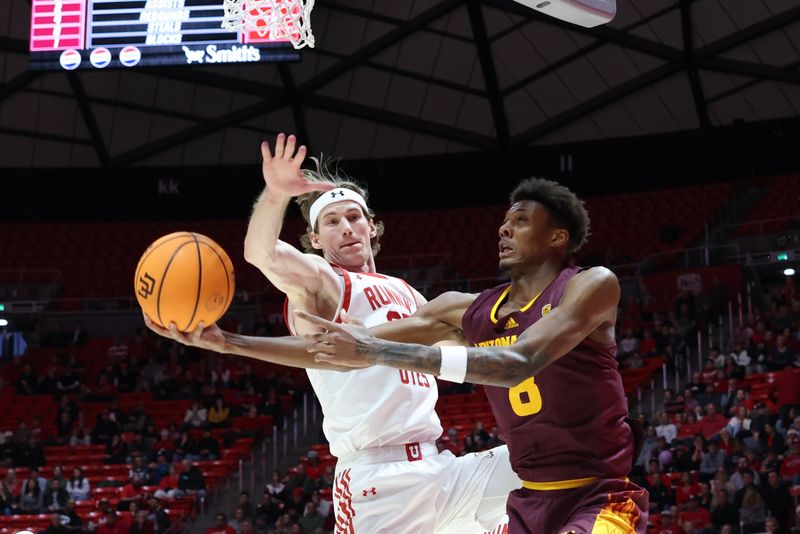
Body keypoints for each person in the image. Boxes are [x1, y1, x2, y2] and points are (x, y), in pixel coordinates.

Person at [144, 134, 520, 533]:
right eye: (332, 222)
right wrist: (275, 195)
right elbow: (262, 253)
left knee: (553, 458)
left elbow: (463, 356)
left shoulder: (410, 294)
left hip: (441, 468)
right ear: (315, 240)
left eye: (354, 217)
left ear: (372, 226)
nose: (346, 228)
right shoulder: (325, 283)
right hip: (378, 487)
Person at [299, 177, 649, 532]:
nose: (504, 229)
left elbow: (516, 364)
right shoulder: (473, 309)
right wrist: (241, 344)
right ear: (315, 238)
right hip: (505, 495)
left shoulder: (588, 286)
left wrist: (377, 350)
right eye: (505, 222)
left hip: (585, 490)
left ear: (556, 237)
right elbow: (335, 344)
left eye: (521, 222)